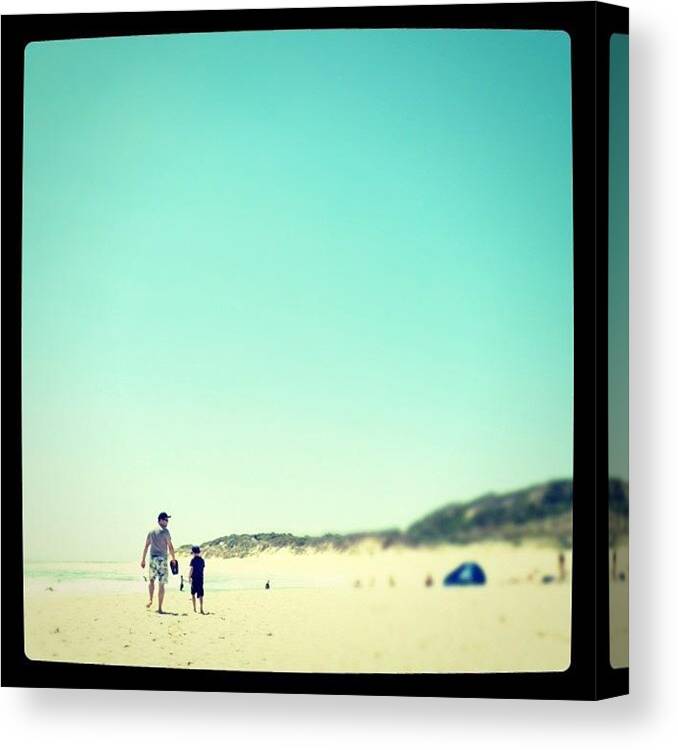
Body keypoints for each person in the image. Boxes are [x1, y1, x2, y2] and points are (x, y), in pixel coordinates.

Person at [140, 512, 176, 614]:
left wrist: (143, 560)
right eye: (165, 520)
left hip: (152, 560)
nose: (167, 522)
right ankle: (159, 607)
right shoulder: (165, 532)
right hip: (162, 560)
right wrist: (173, 559)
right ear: (160, 520)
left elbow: (146, 546)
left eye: (167, 520)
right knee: (161, 584)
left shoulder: (151, 532)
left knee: (151, 581)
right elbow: (170, 546)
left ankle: (150, 599)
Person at [189, 545, 206, 614]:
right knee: (201, 594)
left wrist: (189, 576)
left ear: (193, 552)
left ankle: (194, 609)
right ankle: (201, 608)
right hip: (201, 578)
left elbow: (191, 569)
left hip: (194, 579)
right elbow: (202, 569)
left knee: (193, 593)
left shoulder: (193, 560)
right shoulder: (202, 560)